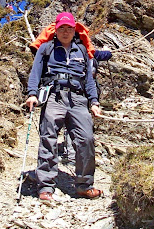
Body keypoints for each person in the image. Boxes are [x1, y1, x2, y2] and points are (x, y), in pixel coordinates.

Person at [26, 12, 103, 201]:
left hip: (78, 99)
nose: (66, 31)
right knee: (48, 137)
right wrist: (32, 94)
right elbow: (35, 72)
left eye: (69, 28)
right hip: (54, 96)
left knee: (86, 139)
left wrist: (94, 102)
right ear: (56, 29)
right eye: (62, 28)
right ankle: (45, 186)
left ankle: (84, 185)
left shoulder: (82, 51)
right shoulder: (46, 48)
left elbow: (89, 80)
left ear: (74, 30)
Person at [61, 48, 112, 167]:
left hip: (79, 91)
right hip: (89, 91)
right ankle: (77, 155)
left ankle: (72, 155)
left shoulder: (75, 53)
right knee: (81, 123)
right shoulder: (92, 53)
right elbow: (108, 55)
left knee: (72, 122)